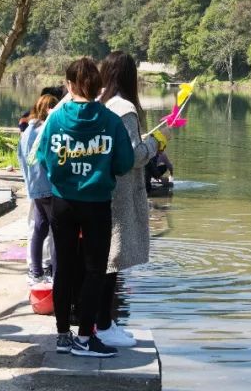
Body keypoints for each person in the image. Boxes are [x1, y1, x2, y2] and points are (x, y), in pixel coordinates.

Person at [36, 57, 134, 359]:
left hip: (63, 202)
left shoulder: (55, 119)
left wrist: (64, 174)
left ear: (69, 85)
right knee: (94, 271)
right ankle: (86, 336)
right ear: (97, 87)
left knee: (63, 268)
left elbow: (43, 157)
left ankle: (62, 335)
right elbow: (124, 164)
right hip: (96, 204)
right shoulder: (110, 121)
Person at [94, 51, 159, 348]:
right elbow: (133, 155)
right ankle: (106, 325)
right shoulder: (125, 108)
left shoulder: (97, 103)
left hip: (94, 189)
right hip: (119, 192)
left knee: (97, 259)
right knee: (113, 259)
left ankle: (98, 322)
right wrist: (155, 144)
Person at [18, 93, 58, 284]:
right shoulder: (48, 129)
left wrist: (29, 185)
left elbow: (21, 159)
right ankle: (55, 273)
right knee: (57, 233)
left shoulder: (26, 132)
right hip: (50, 188)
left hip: (34, 188)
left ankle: (35, 271)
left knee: (39, 229)